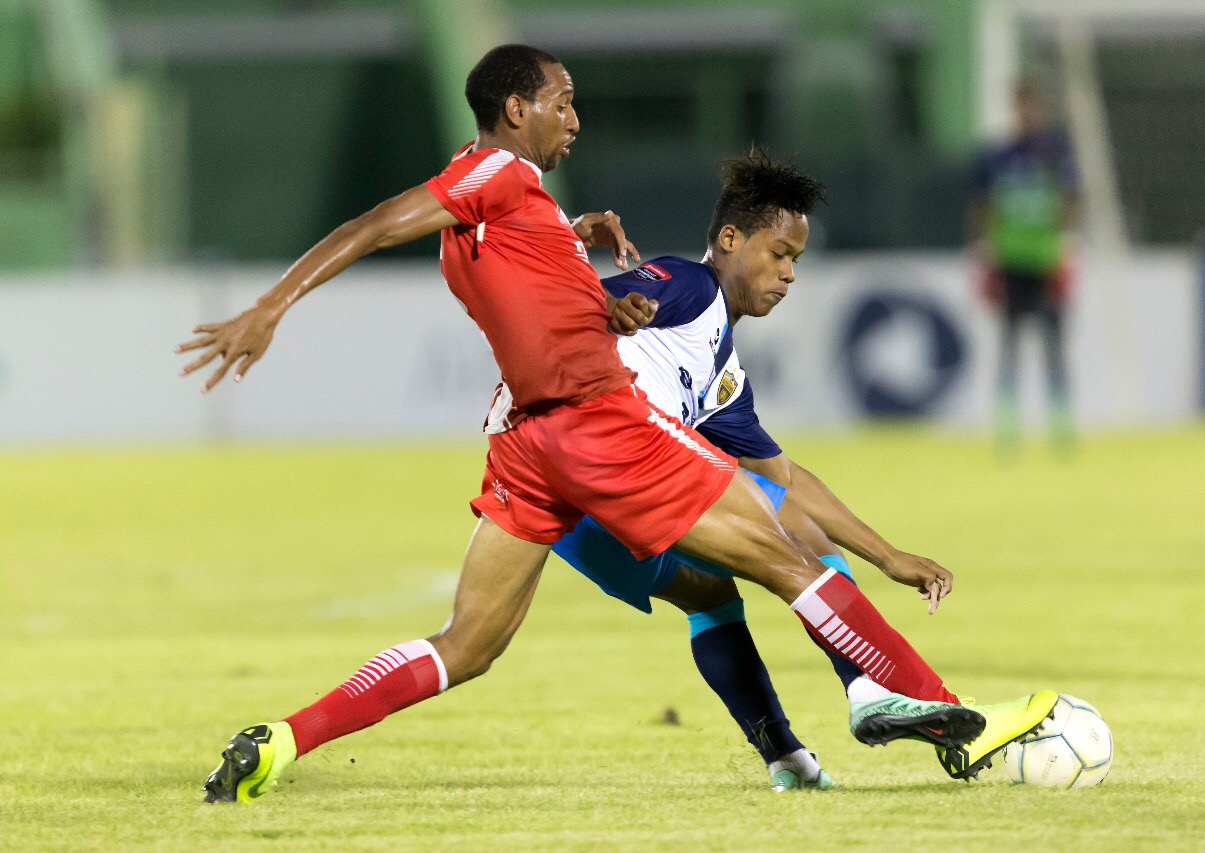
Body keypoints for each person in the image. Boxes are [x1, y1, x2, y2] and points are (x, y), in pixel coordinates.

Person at [180, 44, 1054, 804]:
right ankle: (931, 711)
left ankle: (284, 738)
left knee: (470, 644)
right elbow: (381, 222)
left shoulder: (519, 205)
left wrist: (574, 240)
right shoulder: (503, 179)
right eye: (562, 103)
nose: (575, 120)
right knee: (793, 557)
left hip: (527, 448)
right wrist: (271, 305)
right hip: (599, 424)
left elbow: (527, 280)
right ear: (515, 110)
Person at [551, 151, 1054, 787]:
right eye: (779, 253)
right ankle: (896, 696)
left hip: (571, 518)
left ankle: (789, 761)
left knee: (710, 593)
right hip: (610, 470)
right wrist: (602, 291)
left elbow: (784, 475)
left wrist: (889, 557)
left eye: (796, 260)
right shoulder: (687, 284)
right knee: (795, 537)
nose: (789, 273)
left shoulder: (722, 376)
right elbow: (579, 304)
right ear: (729, 239)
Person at [970, 81, 1081, 453]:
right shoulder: (998, 157)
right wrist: (984, 256)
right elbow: (983, 206)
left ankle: (1061, 427)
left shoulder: (1056, 153)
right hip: (1010, 261)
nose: (1028, 114)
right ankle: (1008, 428)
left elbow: (1069, 201)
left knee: (1054, 348)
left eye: (1033, 107)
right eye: (1022, 107)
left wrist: (1066, 250)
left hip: (1046, 261)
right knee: (1009, 347)